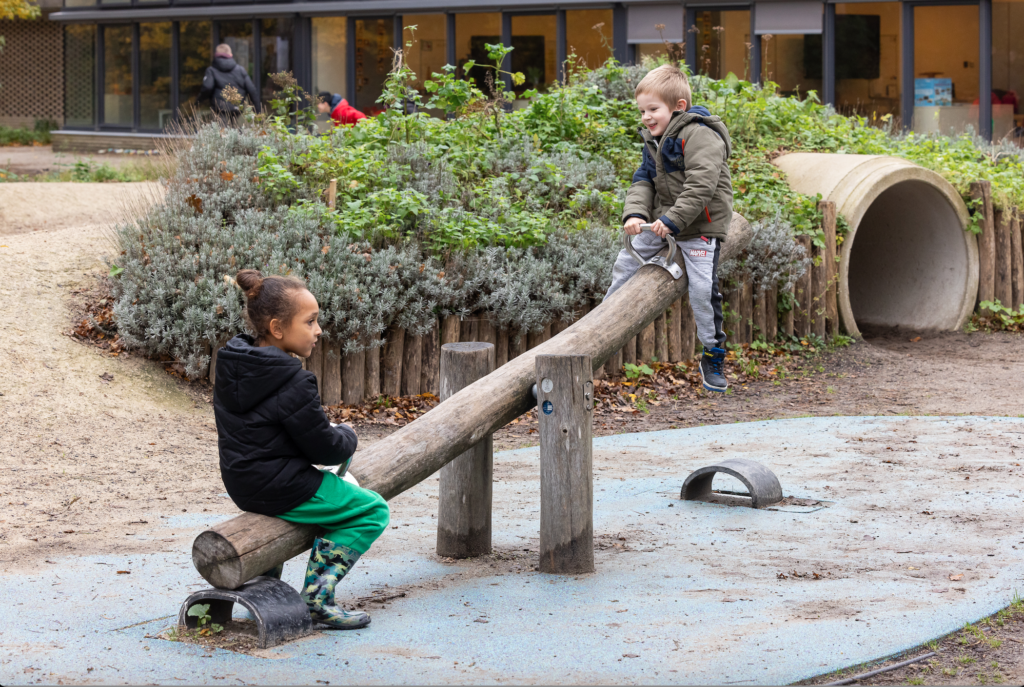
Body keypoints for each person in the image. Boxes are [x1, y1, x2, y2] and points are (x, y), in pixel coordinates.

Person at [213, 269, 389, 629]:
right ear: (278, 329)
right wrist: (347, 436)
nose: (318, 330)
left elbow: (267, 431)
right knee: (370, 509)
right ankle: (317, 599)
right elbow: (324, 450)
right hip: (283, 486)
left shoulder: (233, 363)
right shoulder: (293, 379)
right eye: (310, 322)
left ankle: (266, 588)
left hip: (242, 482)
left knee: (327, 501)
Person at [606, 64, 734, 393]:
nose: (646, 117)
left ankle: (713, 353)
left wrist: (671, 221)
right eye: (642, 111)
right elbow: (643, 182)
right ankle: (602, 321)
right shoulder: (654, 140)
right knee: (626, 261)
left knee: (703, 291)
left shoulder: (701, 134)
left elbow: (701, 185)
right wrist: (634, 214)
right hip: (666, 221)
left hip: (700, 225)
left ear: (678, 107)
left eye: (653, 110)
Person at [200, 44, 259, 117]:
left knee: (220, 128)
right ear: (231, 55)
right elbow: (252, 91)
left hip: (219, 109)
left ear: (215, 55)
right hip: (237, 108)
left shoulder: (211, 70)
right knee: (235, 127)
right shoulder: (240, 70)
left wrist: (199, 102)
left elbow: (207, 87)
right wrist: (257, 112)